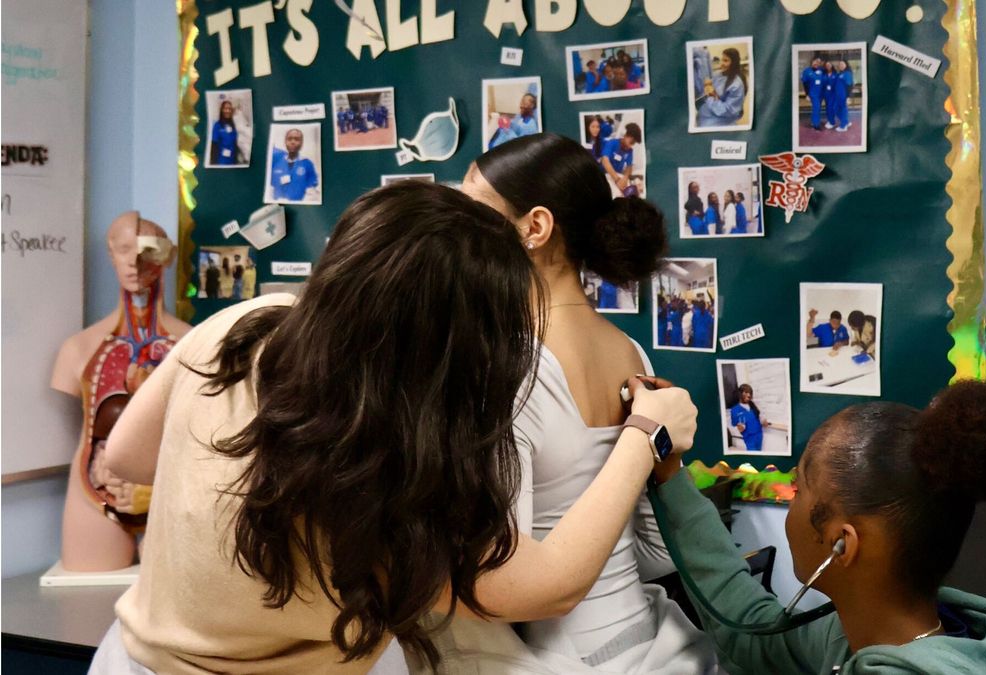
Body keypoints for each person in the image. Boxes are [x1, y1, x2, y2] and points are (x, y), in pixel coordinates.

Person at [90, 182, 704, 674]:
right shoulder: (384, 467)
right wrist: (643, 435)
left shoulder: (244, 325)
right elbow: (546, 587)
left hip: (130, 659)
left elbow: (126, 455)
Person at [453, 134, 718, 673]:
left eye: (473, 209)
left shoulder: (504, 367)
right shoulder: (629, 351)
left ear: (536, 227)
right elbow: (657, 548)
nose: (454, 227)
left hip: (551, 656)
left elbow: (500, 582)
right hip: (650, 639)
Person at [651, 380, 986, 674]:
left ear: (841, 543)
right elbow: (751, 630)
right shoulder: (869, 633)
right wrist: (670, 471)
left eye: (798, 489)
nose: (791, 501)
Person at [51, 212, 191, 572]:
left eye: (146, 250)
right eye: (124, 249)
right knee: (84, 612)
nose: (134, 262)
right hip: (95, 492)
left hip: (173, 495)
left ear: (166, 256)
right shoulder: (78, 349)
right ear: (111, 254)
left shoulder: (193, 343)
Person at [696, 47, 747, 128]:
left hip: (724, 114)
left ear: (734, 63)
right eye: (721, 59)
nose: (721, 63)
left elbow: (727, 110)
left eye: (726, 60)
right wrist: (708, 84)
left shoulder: (737, 85)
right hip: (713, 106)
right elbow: (710, 83)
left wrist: (710, 96)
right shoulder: (719, 74)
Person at [269, 128, 319, 203]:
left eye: (296, 139)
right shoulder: (276, 162)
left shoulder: (307, 164)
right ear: (285, 142)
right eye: (289, 139)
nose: (293, 142)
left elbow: (311, 192)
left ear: (301, 143)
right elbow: (270, 189)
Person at [600, 122, 642, 197]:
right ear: (626, 136)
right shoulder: (612, 143)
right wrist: (616, 179)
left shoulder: (630, 151)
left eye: (633, 144)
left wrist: (625, 177)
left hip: (619, 176)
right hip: (606, 175)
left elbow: (629, 166)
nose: (630, 146)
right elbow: (604, 161)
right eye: (631, 142)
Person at [728, 384, 768, 451]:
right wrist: (738, 429)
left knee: (759, 453)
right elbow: (733, 425)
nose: (749, 395)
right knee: (753, 456)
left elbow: (759, 417)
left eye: (750, 393)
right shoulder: (734, 410)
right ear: (740, 393)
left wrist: (764, 422)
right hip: (749, 438)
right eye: (746, 392)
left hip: (759, 435)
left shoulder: (753, 406)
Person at [209, 100, 239, 166]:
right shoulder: (217, 125)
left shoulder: (233, 125)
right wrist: (213, 163)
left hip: (232, 161)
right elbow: (214, 144)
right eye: (225, 108)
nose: (228, 111)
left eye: (229, 109)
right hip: (221, 161)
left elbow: (235, 143)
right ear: (222, 110)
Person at [800, 56, 826, 131]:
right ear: (812, 61)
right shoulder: (807, 71)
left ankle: (814, 121)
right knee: (816, 108)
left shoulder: (822, 70)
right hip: (813, 94)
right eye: (815, 61)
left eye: (818, 62)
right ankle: (816, 125)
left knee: (817, 108)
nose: (816, 63)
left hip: (821, 94)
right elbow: (805, 83)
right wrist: (807, 94)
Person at [834, 60, 855, 132]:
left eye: (842, 64)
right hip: (837, 96)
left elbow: (850, 86)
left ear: (846, 65)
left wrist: (848, 97)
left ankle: (843, 126)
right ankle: (846, 122)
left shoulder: (847, 73)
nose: (841, 65)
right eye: (840, 64)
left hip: (844, 96)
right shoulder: (839, 74)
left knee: (843, 110)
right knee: (835, 109)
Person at [822, 60, 838, 130]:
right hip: (826, 94)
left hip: (833, 94)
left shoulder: (836, 74)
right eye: (826, 65)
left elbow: (838, 84)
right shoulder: (824, 74)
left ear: (831, 65)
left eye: (829, 65)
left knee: (832, 108)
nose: (828, 66)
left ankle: (832, 122)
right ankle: (829, 120)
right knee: (828, 108)